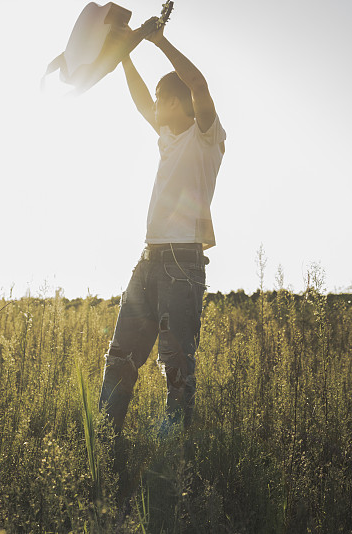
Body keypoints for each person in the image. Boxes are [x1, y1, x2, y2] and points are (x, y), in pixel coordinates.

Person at [98, 23, 226, 440]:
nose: (153, 107)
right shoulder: (169, 137)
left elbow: (198, 82)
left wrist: (159, 42)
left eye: (159, 100)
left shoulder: (206, 136)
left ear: (176, 102)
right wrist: (124, 57)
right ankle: (103, 442)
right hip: (149, 261)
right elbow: (139, 104)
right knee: (120, 357)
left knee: (177, 368)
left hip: (182, 265)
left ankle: (172, 458)